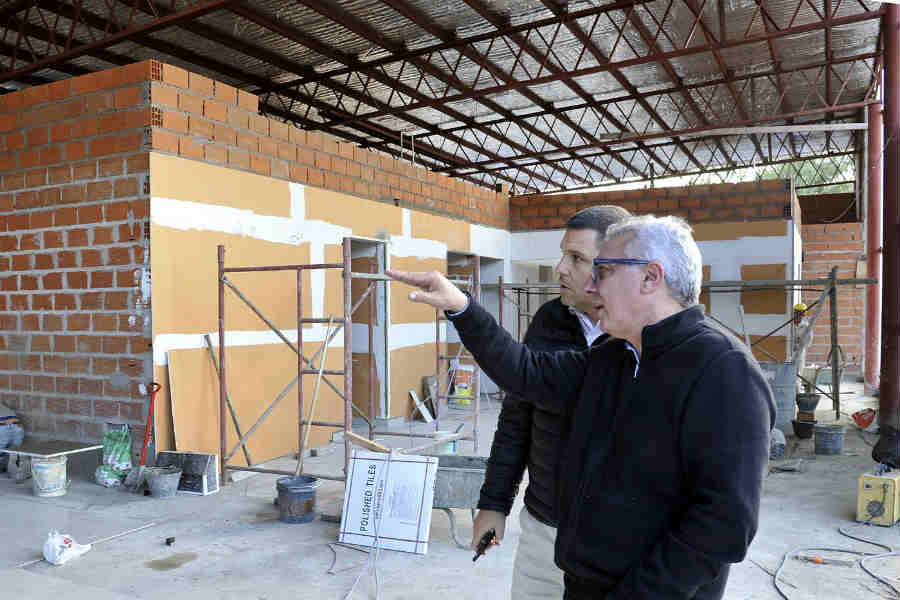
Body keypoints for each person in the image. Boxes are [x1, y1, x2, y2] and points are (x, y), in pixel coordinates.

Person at [389, 215, 774, 599]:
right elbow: (526, 373)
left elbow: (723, 523)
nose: (591, 283)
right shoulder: (615, 356)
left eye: (603, 271)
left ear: (650, 278)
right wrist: (462, 308)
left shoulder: (723, 370)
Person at [474, 205, 630, 600]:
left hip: (617, 539)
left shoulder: (645, 336)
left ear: (613, 265)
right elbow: (517, 415)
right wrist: (494, 503)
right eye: (563, 255)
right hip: (544, 529)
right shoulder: (549, 320)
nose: (560, 268)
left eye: (576, 258)